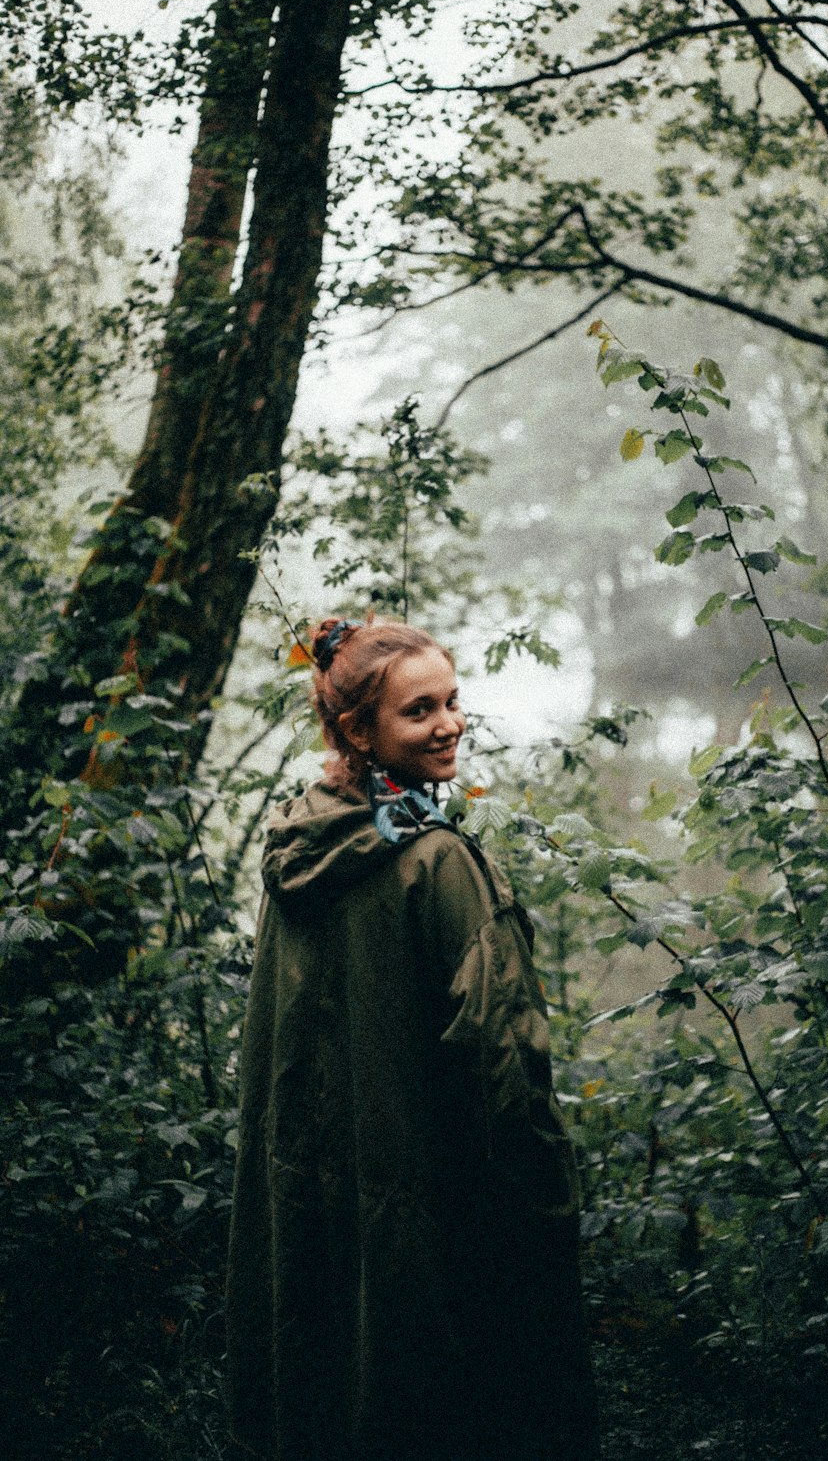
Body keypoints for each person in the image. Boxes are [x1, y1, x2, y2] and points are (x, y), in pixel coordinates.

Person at [224, 615, 600, 1461]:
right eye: (420, 710)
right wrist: (543, 1207)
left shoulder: (299, 845)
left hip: (312, 1216)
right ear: (360, 731)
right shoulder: (438, 864)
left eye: (454, 701)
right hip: (429, 1225)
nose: (451, 724)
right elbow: (504, 1067)